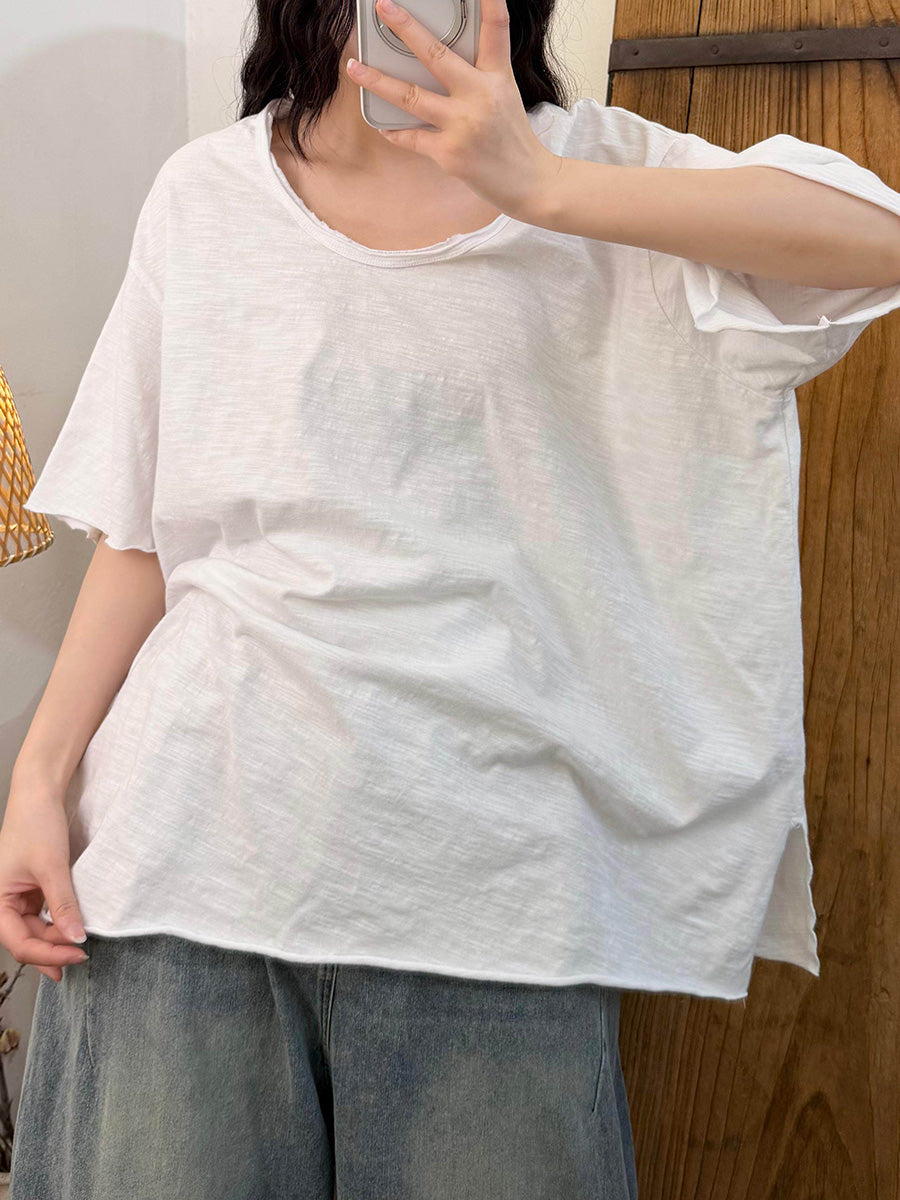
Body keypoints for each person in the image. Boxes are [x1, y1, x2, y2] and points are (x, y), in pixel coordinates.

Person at [6, 0, 900, 1194]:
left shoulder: (602, 173)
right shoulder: (204, 193)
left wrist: (542, 188)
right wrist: (39, 778)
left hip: (494, 887)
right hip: (181, 857)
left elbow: (878, 239)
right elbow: (147, 535)